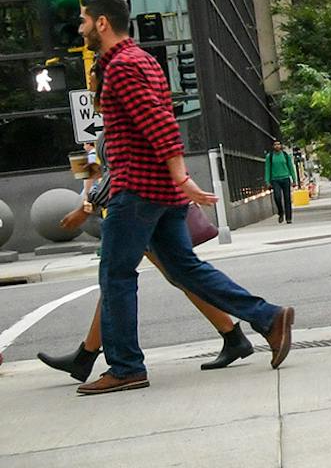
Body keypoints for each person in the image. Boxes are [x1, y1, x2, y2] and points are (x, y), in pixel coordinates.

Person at [79, 0, 295, 394]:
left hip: (139, 189)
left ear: (102, 23)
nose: (81, 28)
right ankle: (268, 318)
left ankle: (125, 366)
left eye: (84, 21)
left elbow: (160, 124)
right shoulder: (142, 61)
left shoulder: (124, 66)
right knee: (184, 269)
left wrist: (183, 177)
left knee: (116, 274)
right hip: (159, 193)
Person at [37, 159, 255, 381]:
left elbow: (118, 173)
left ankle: (256, 322)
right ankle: (85, 355)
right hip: (143, 208)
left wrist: (87, 206)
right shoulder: (102, 138)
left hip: (138, 211)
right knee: (134, 280)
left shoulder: (118, 127)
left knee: (135, 279)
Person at [265, 140, 297, 224]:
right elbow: (267, 169)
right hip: (275, 180)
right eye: (275, 144)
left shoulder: (286, 155)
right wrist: (267, 181)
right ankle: (280, 212)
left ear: (281, 146)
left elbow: (291, 168)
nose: (277, 146)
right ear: (273, 146)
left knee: (287, 198)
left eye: (278, 144)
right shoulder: (270, 156)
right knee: (277, 197)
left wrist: (294, 180)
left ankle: (289, 218)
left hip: (286, 178)